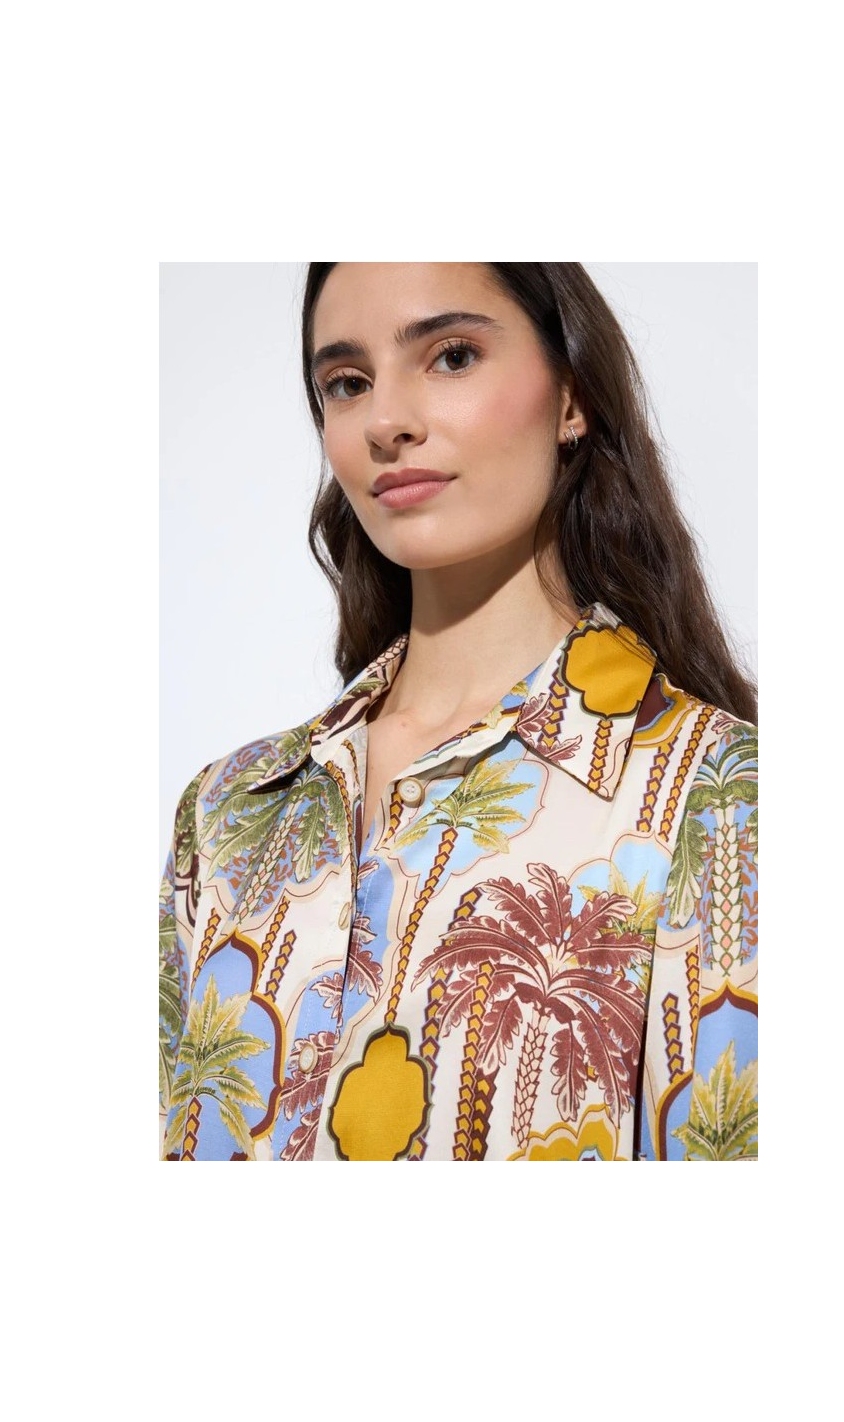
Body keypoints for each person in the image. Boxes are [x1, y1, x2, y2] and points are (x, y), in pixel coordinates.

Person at [159, 262, 758, 1162]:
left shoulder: (722, 802)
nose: (386, 421)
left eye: (451, 356)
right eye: (347, 382)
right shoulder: (228, 814)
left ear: (572, 396)